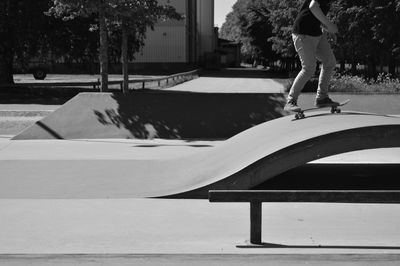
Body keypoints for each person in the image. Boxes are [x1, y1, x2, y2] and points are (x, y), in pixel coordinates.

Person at [284, 0, 338, 112]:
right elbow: (313, 6)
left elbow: (315, 16)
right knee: (309, 68)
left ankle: (322, 98)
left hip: (317, 34)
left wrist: (328, 29)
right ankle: (291, 100)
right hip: (303, 33)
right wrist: (329, 24)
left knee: (330, 62)